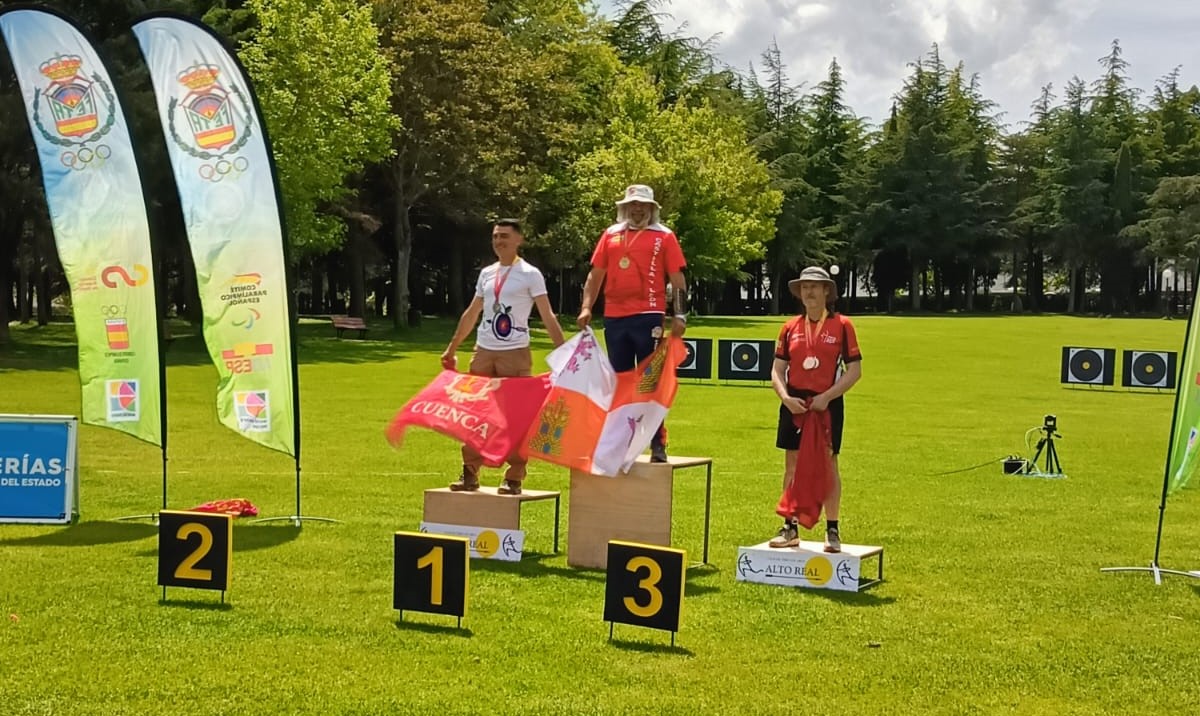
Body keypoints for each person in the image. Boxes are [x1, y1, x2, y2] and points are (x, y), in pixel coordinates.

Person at [441, 219, 565, 495]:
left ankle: (514, 477)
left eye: (505, 236)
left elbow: (547, 314)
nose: (499, 241)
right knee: (475, 414)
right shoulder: (486, 273)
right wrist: (452, 347)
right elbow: (472, 312)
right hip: (484, 351)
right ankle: (470, 472)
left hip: (515, 352)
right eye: (496, 236)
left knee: (516, 417)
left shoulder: (530, 274)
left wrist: (565, 352)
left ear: (519, 239)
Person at [576, 184, 687, 463]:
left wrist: (680, 314)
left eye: (643, 205)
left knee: (650, 381)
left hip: (649, 314)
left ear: (652, 209)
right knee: (620, 382)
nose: (638, 209)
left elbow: (678, 279)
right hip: (615, 317)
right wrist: (587, 306)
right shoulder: (611, 235)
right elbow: (595, 274)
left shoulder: (665, 236)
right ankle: (620, 442)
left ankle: (657, 443)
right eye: (633, 205)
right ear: (624, 207)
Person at [768, 266, 862, 552]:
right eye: (804, 287)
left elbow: (854, 371)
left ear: (826, 292)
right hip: (794, 403)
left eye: (815, 286)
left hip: (827, 405)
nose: (809, 291)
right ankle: (790, 528)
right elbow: (777, 369)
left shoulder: (842, 325)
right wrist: (785, 397)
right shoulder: (790, 327)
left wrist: (828, 396)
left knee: (829, 463)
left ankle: (832, 530)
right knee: (792, 465)